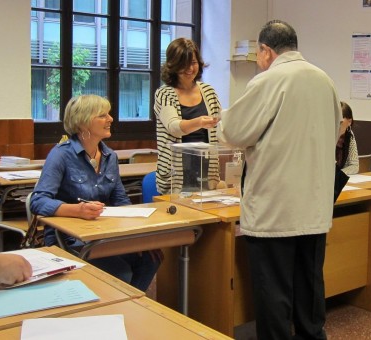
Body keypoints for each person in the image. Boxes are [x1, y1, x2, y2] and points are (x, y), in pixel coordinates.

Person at [216, 20, 342, 339]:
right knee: (309, 295)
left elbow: (233, 132)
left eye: (258, 54)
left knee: (274, 296)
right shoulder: (324, 80)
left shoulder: (269, 80)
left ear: (265, 51)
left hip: (275, 208)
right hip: (314, 207)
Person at [31, 95, 161, 291]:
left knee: (151, 258)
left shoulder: (110, 157)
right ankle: (117, 305)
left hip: (102, 235)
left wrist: (138, 236)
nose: (110, 119)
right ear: (83, 122)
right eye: (102, 115)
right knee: (120, 272)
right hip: (68, 240)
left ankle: (128, 306)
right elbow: (38, 201)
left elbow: (120, 200)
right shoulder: (60, 155)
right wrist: (77, 210)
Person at [154, 37, 220, 194]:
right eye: (184, 64)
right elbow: (174, 127)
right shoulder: (164, 93)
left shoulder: (208, 91)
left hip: (205, 169)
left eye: (194, 62)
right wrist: (199, 122)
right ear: (173, 65)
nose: (190, 68)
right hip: (175, 174)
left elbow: (220, 125)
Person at [337, 101, 359, 175]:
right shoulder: (326, 135)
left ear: (349, 121)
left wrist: (339, 175)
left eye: (340, 120)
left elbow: (354, 165)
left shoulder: (349, 135)